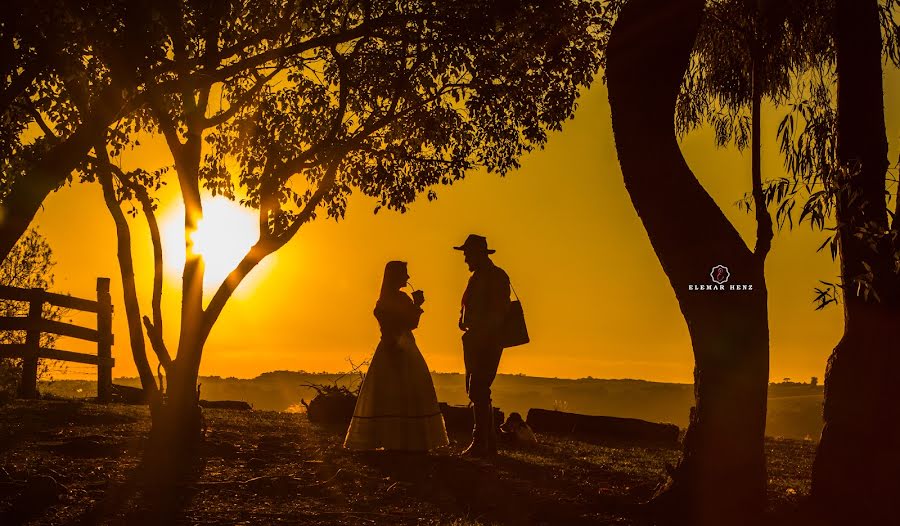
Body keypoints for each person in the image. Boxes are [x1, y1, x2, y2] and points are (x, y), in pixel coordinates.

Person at [343, 261, 449, 452]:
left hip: (390, 346)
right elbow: (410, 323)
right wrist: (417, 306)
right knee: (405, 391)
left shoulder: (386, 299)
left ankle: (391, 438)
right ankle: (406, 439)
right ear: (396, 276)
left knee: (390, 393)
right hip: (401, 346)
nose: (408, 278)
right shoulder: (398, 299)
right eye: (405, 274)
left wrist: (414, 306)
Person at [455, 234, 511, 457]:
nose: (466, 259)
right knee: (476, 389)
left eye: (468, 254)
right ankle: (488, 443)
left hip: (487, 340)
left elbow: (500, 311)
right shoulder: (479, 277)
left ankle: (481, 442)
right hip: (476, 338)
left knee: (478, 387)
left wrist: (477, 325)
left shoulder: (496, 276)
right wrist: (464, 320)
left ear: (479, 254)